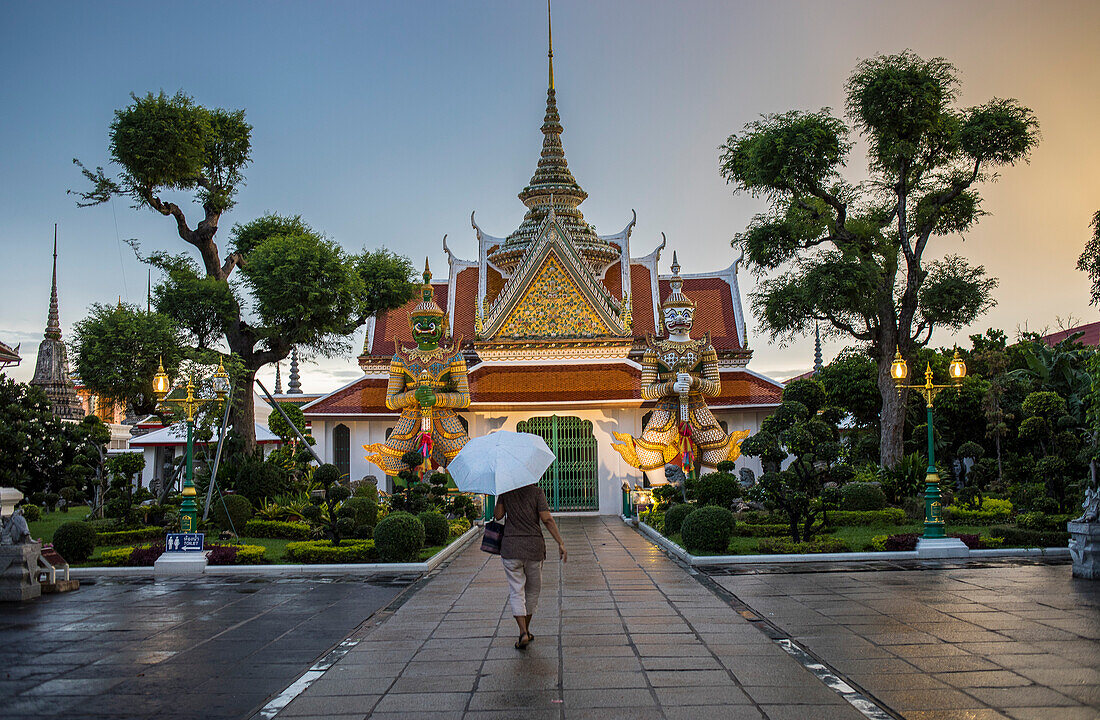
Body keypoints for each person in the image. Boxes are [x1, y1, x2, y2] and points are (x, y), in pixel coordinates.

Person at [494, 483, 566, 649]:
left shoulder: (507, 491)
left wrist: (501, 496)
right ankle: (526, 630)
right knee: (532, 591)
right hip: (534, 548)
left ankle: (523, 631)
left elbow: (497, 515)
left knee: (516, 590)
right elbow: (547, 519)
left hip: (511, 548)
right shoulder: (537, 492)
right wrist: (560, 542)